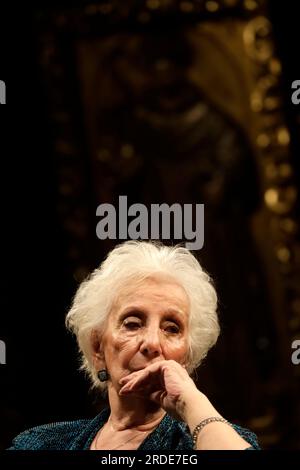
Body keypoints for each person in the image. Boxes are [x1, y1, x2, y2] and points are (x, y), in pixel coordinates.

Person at [8, 241, 260, 450]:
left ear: (186, 358)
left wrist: (191, 403)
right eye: (132, 323)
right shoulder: (41, 444)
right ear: (98, 348)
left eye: (172, 328)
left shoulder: (218, 439)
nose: (151, 342)